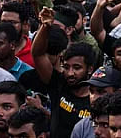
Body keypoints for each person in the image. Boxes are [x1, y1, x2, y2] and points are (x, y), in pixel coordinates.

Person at [32, 7, 96, 138]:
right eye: (66, 67)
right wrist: (45, 27)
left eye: (77, 67)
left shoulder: (97, 97)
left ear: (89, 69)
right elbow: (37, 54)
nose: (70, 73)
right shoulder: (59, 83)